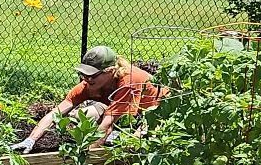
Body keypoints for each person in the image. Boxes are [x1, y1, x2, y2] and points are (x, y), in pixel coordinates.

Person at [11, 45, 168, 153]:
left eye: (92, 75)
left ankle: (125, 137)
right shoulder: (88, 84)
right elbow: (56, 113)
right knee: (83, 115)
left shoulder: (128, 81)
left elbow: (108, 124)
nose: (86, 79)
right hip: (125, 111)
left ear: (111, 71)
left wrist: (85, 157)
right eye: (83, 74)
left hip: (158, 112)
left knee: (136, 145)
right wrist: (30, 140)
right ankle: (118, 136)